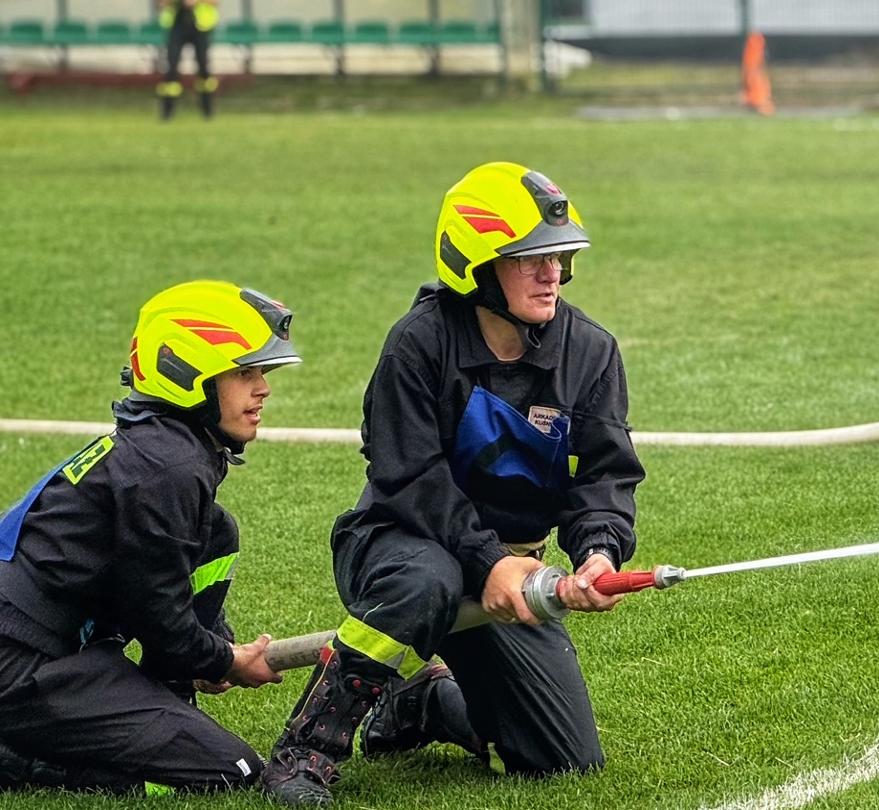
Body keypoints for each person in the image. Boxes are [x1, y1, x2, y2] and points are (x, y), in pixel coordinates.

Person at [263, 162, 647, 806]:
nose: (552, 272)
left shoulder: (590, 352)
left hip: (510, 572)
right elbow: (408, 477)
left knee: (562, 760)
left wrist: (599, 552)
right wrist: (488, 560)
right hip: (398, 547)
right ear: (476, 266)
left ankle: (423, 702)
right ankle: (307, 751)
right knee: (428, 578)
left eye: (559, 256)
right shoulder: (417, 344)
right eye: (530, 259)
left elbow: (605, 475)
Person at [0, 280, 297, 795]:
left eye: (262, 373)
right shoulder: (169, 467)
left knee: (217, 530)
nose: (263, 388)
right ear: (188, 376)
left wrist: (208, 649)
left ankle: (167, 693)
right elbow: (160, 617)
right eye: (244, 372)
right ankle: (17, 761)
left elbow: (160, 598)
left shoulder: (167, 447)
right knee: (232, 770)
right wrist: (224, 660)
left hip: (55, 649)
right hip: (24, 667)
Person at [157, 0, 220, 121]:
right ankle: (167, 111)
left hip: (200, 27)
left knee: (203, 68)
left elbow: (215, 2)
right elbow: (161, 3)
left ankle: (207, 109)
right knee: (172, 68)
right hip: (176, 25)